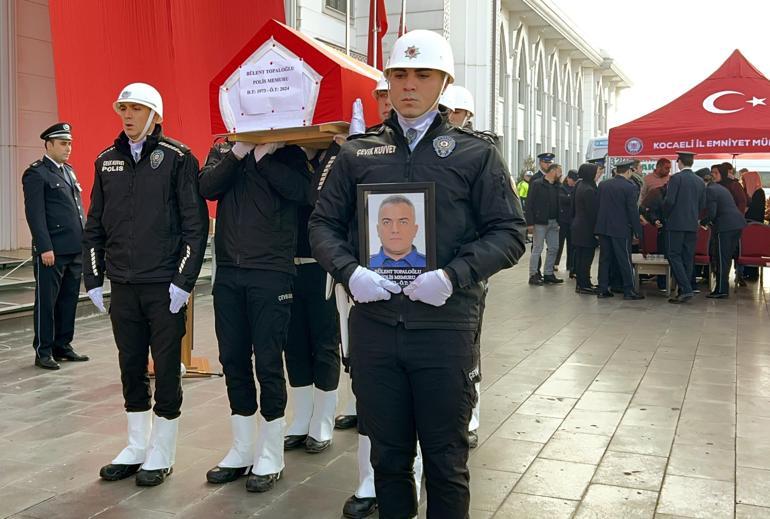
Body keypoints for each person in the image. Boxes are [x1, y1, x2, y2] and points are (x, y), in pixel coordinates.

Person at [308, 29, 526, 519]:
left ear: (443, 81)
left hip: (444, 328)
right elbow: (321, 224)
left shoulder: (475, 154)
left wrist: (452, 276)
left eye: (422, 74)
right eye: (399, 74)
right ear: (386, 80)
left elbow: (510, 232)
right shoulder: (357, 154)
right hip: (375, 328)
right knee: (386, 460)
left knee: (446, 463)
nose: (409, 85)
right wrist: (349, 272)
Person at [84, 83, 208, 486]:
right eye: (123, 108)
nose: (128, 115)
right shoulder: (106, 161)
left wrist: (183, 280)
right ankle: (137, 446)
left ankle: (163, 451)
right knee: (130, 364)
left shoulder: (178, 158)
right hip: (123, 285)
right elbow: (94, 226)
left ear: (154, 114)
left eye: (136, 108)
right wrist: (93, 276)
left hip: (164, 287)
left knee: (168, 368)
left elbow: (195, 225)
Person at [199, 133, 310, 491]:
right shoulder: (222, 148)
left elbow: (303, 192)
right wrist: (238, 152)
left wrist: (265, 159)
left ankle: (271, 452)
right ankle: (243, 448)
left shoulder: (289, 151)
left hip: (271, 270)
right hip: (229, 271)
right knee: (232, 358)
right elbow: (207, 187)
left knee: (268, 362)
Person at [281, 142, 343, 456]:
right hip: (287, 263)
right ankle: (302, 418)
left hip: (321, 265)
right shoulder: (286, 155)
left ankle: (322, 419)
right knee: (293, 344)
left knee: (324, 342)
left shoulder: (335, 156)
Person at [22, 123, 89, 370]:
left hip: (74, 249)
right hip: (52, 252)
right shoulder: (36, 174)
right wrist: (44, 247)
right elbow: (35, 215)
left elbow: (76, 209)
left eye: (69, 143)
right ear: (48, 145)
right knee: (47, 302)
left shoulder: (68, 171)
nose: (68, 148)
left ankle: (63, 345)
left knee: (68, 300)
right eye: (63, 143)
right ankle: (44, 350)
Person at [594, 159, 644, 300]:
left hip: (603, 228)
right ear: (628, 171)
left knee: (605, 259)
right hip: (620, 229)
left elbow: (598, 206)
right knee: (624, 259)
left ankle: (603, 288)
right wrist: (637, 231)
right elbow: (632, 211)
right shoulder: (630, 187)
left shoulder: (603, 184)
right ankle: (629, 290)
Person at [663, 151, 706, 304]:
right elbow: (702, 204)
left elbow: (669, 201)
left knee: (673, 255)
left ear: (679, 161)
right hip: (692, 224)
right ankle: (684, 289)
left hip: (676, 223)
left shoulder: (676, 178)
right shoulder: (700, 181)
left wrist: (665, 216)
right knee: (688, 257)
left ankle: (686, 289)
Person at [698, 167, 746, 299]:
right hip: (736, 225)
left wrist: (702, 222)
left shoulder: (710, 190)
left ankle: (721, 290)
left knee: (721, 258)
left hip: (725, 227)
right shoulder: (720, 188)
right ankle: (722, 288)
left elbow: (712, 213)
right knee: (725, 257)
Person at [526, 163, 563, 285]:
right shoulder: (537, 184)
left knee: (554, 248)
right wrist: (530, 223)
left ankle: (548, 273)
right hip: (540, 222)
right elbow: (529, 203)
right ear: (552, 171)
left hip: (554, 222)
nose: (560, 174)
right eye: (559, 171)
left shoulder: (557, 186)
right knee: (537, 248)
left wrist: (559, 220)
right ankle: (533, 274)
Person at [369, 195, 426, 268]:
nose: (395, 230)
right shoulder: (364, 268)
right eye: (387, 222)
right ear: (378, 230)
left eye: (403, 222)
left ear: (415, 230)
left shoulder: (431, 266)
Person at [571, 163, 601, 294]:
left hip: (578, 226)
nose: (598, 174)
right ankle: (584, 285)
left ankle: (582, 283)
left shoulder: (580, 185)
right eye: (596, 172)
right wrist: (597, 230)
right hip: (586, 228)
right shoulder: (588, 189)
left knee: (580, 257)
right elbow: (592, 212)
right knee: (586, 258)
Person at [556, 169, 577, 277]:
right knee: (559, 243)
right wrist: (571, 198)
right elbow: (562, 199)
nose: (572, 182)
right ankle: (555, 263)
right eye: (571, 180)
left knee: (571, 243)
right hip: (562, 220)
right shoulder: (561, 187)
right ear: (568, 178)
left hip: (572, 220)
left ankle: (570, 265)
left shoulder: (576, 187)